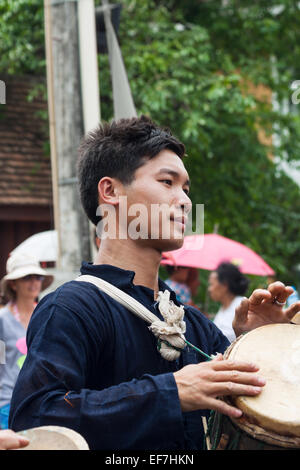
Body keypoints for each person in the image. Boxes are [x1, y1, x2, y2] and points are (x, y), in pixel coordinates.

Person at [8, 116, 300, 450]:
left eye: (186, 189)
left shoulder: (192, 323)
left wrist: (259, 345)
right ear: (110, 191)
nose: (185, 200)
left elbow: (253, 422)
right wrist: (169, 393)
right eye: (167, 182)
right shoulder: (72, 308)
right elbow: (34, 419)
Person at [0, 252, 53, 429]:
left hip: (42, 401)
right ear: (13, 284)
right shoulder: (2, 320)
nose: (34, 282)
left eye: (37, 277)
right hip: (8, 402)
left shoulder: (48, 315)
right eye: (27, 277)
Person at [208, 262, 249, 343]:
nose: (209, 289)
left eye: (212, 284)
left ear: (224, 285)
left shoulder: (241, 304)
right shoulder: (224, 307)